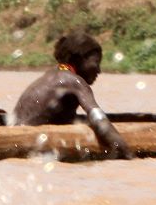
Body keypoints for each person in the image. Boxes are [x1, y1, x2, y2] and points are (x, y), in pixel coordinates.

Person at [12, 31, 133, 159]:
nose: (99, 70)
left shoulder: (53, 75)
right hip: (25, 140)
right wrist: (129, 155)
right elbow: (99, 121)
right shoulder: (74, 82)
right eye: (96, 63)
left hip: (16, 130)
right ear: (80, 59)